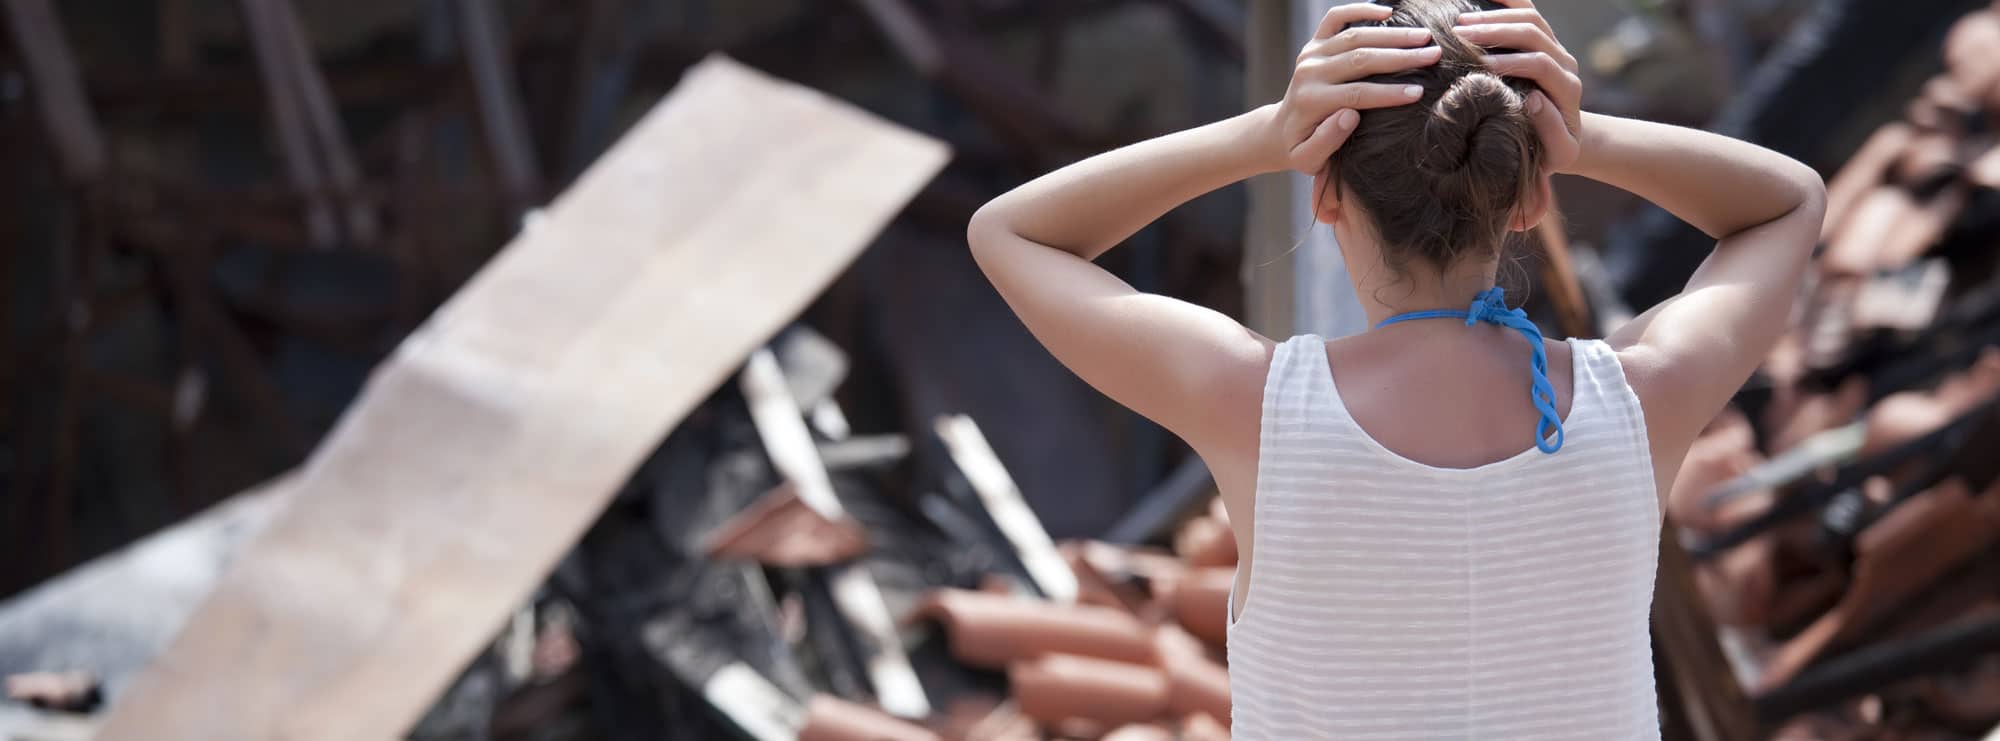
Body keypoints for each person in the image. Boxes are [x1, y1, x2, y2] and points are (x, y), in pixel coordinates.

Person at [967, 0, 1825, 736]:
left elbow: (1010, 232)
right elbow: (1788, 201)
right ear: (1531, 199)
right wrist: (1583, 134)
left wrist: (1263, 134)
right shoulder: (1640, 398)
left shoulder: (1254, 404)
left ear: (1326, 192)